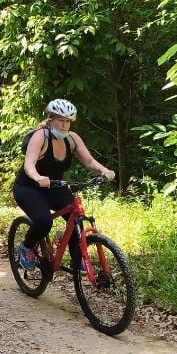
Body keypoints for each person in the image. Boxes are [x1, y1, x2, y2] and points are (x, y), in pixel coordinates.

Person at [13, 99, 115, 272]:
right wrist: (38, 177)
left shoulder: (72, 139)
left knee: (76, 218)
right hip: (29, 187)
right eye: (60, 119)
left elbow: (89, 161)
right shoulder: (41, 136)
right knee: (44, 221)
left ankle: (78, 258)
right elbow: (28, 164)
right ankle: (26, 247)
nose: (64, 124)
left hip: (55, 186)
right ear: (51, 120)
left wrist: (104, 170)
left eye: (68, 121)